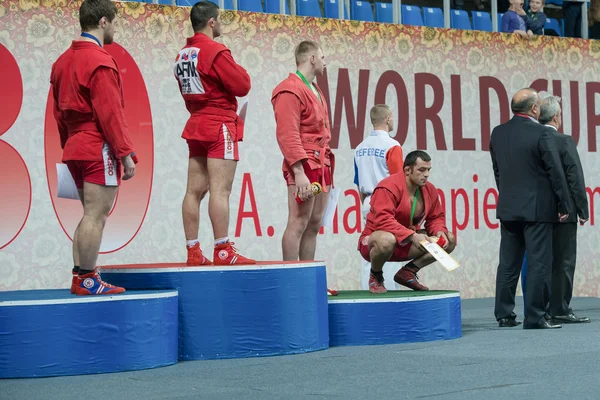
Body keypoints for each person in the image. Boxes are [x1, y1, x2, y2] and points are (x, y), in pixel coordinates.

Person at [51, 0, 137, 295]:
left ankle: (81, 277)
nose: (115, 28)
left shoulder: (61, 62)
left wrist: (68, 147)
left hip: (74, 145)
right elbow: (110, 113)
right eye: (114, 22)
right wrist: (125, 154)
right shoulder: (99, 60)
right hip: (96, 145)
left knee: (89, 213)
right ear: (103, 21)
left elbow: (58, 115)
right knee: (96, 215)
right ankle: (87, 279)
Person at [175, 1, 254, 266]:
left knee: (192, 191)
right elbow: (243, 85)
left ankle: (193, 250)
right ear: (211, 22)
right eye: (219, 20)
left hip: (196, 122)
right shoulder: (215, 51)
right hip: (219, 123)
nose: (220, 24)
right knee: (221, 191)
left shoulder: (183, 55)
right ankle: (222, 249)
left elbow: (187, 95)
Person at [490, 88, 572, 329]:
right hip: (537, 210)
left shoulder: (498, 132)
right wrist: (563, 203)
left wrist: (506, 195)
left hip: (507, 207)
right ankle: (535, 316)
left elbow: (497, 171)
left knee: (508, 263)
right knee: (539, 263)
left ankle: (504, 315)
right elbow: (555, 172)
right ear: (535, 109)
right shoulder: (541, 133)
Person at [358, 150, 456, 294]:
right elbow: (383, 220)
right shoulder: (387, 187)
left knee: (449, 239)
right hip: (376, 243)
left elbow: (436, 218)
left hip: (406, 243)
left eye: (428, 170)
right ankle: (376, 276)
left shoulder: (429, 189)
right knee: (386, 239)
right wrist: (412, 236)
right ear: (407, 170)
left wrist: (439, 231)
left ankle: (408, 272)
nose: (427, 174)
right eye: (421, 170)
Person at [271, 40, 334, 263]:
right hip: (304, 163)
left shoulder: (314, 89)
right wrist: (299, 171)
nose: (325, 62)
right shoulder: (289, 89)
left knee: (314, 222)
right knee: (298, 221)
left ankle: (308, 277)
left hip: (321, 162)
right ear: (312, 58)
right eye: (323, 57)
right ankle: (291, 278)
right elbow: (287, 134)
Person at [538, 95, 590, 323]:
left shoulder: (531, 140)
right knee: (564, 261)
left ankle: (541, 308)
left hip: (537, 211)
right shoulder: (564, 141)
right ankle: (560, 308)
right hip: (564, 210)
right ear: (557, 116)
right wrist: (583, 209)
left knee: (542, 261)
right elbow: (574, 177)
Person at [353, 105, 404, 290]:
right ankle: (388, 294)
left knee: (368, 249)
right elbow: (399, 181)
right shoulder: (392, 145)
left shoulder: (359, 148)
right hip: (388, 203)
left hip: (368, 202)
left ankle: (367, 293)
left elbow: (358, 183)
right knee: (389, 249)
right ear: (389, 119)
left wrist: (367, 204)